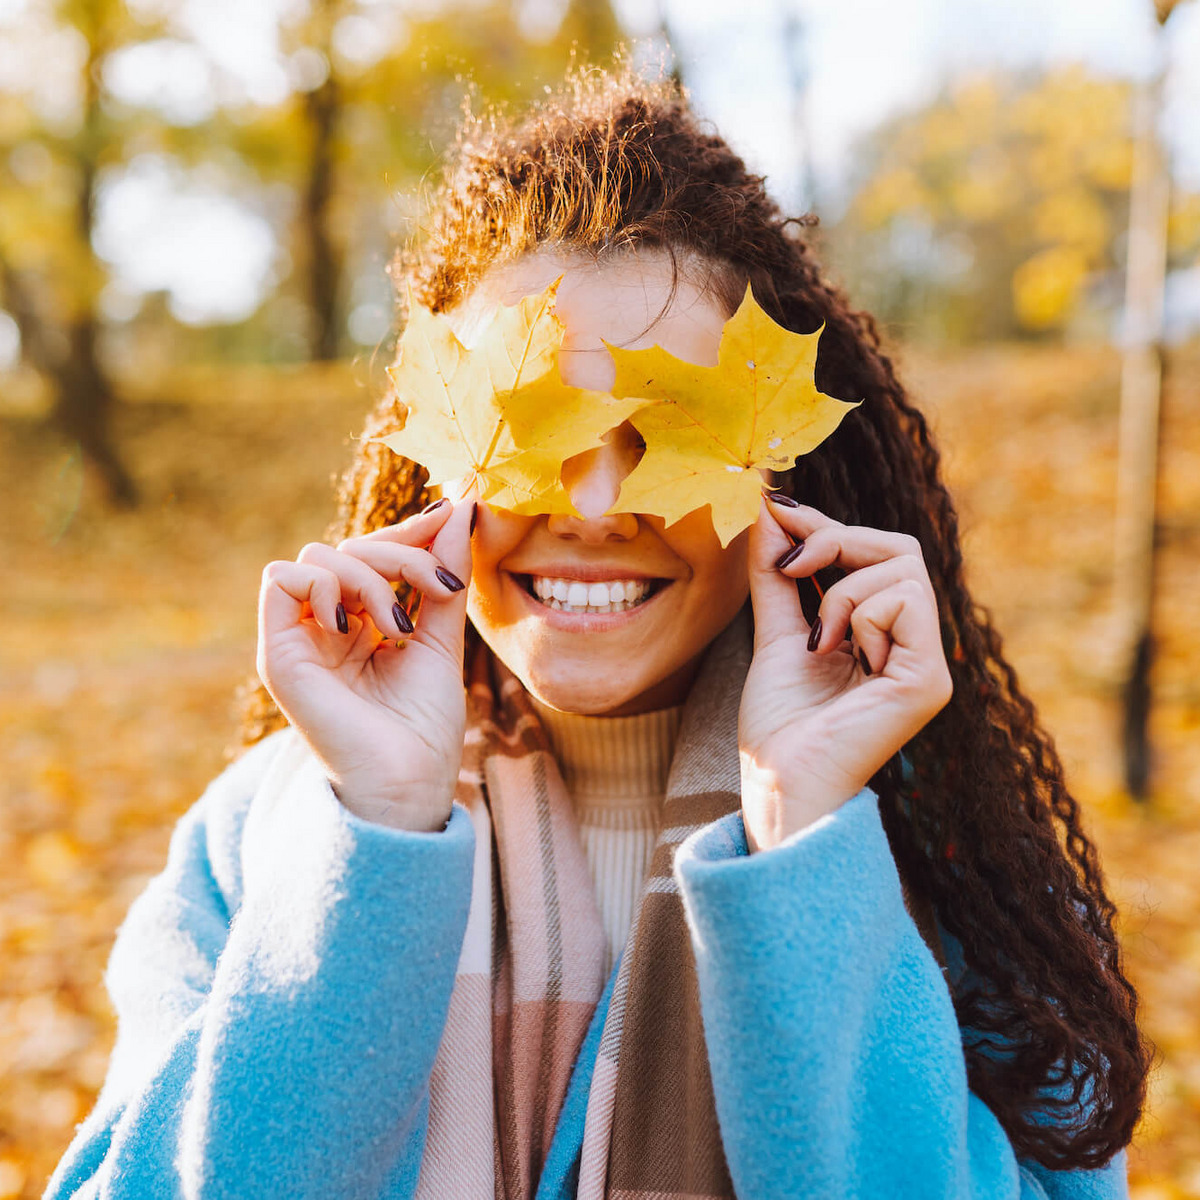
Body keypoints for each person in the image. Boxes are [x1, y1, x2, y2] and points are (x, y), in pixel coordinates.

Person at [47, 65, 1148, 1200]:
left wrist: (808, 846)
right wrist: (372, 845)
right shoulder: (268, 834)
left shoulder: (948, 857)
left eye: (672, 431)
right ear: (431, 444)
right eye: (525, 429)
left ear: (783, 465)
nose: (586, 506)